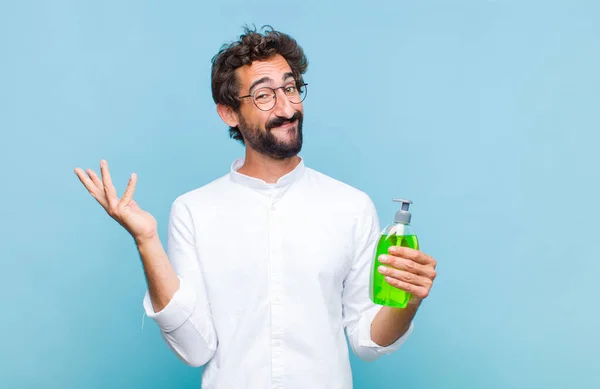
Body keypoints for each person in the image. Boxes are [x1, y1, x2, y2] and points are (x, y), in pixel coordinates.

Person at [74, 25, 437, 389]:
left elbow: (366, 340)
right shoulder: (194, 211)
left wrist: (408, 302)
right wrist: (146, 240)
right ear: (229, 113)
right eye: (264, 95)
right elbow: (194, 349)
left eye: (291, 88)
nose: (287, 107)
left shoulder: (351, 206)